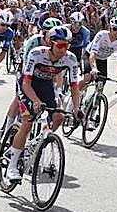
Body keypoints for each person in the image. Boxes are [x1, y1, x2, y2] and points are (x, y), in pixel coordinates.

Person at [5, 25, 82, 182]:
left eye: (66, 45)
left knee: (59, 117)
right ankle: (12, 166)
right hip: (28, 85)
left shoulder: (71, 59)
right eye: (60, 45)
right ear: (51, 43)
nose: (63, 49)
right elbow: (26, 84)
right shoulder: (37, 54)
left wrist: (76, 108)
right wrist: (35, 101)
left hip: (46, 86)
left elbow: (75, 87)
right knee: (28, 122)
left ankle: (38, 141)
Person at [83, 15, 117, 88]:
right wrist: (94, 68)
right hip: (90, 56)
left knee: (101, 82)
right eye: (115, 29)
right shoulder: (101, 35)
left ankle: (98, 97)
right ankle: (77, 95)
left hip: (102, 59)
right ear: (110, 28)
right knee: (87, 78)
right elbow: (93, 54)